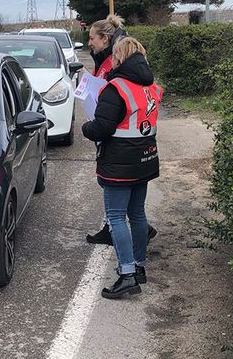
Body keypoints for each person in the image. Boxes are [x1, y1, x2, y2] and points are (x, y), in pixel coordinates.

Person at [81, 37, 163, 299]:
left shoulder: (116, 88)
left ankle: (126, 274)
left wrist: (86, 126)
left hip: (119, 162)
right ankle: (139, 267)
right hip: (146, 158)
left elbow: (101, 128)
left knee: (116, 216)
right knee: (137, 213)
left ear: (119, 57)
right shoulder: (152, 87)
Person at [85, 16, 158, 245]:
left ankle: (128, 264)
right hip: (137, 142)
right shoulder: (109, 59)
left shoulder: (115, 65)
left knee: (117, 200)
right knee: (131, 205)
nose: (89, 43)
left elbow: (115, 97)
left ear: (105, 39)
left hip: (118, 136)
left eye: (92, 38)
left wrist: (91, 127)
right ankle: (136, 251)